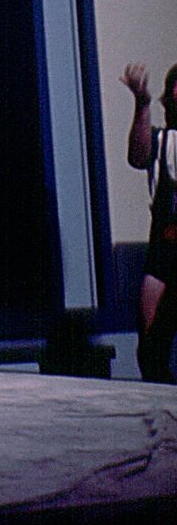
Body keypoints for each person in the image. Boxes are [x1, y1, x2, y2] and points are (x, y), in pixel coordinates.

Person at [121, 61, 177, 383]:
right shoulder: (161, 141)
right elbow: (137, 157)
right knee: (151, 349)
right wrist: (141, 104)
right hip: (164, 255)